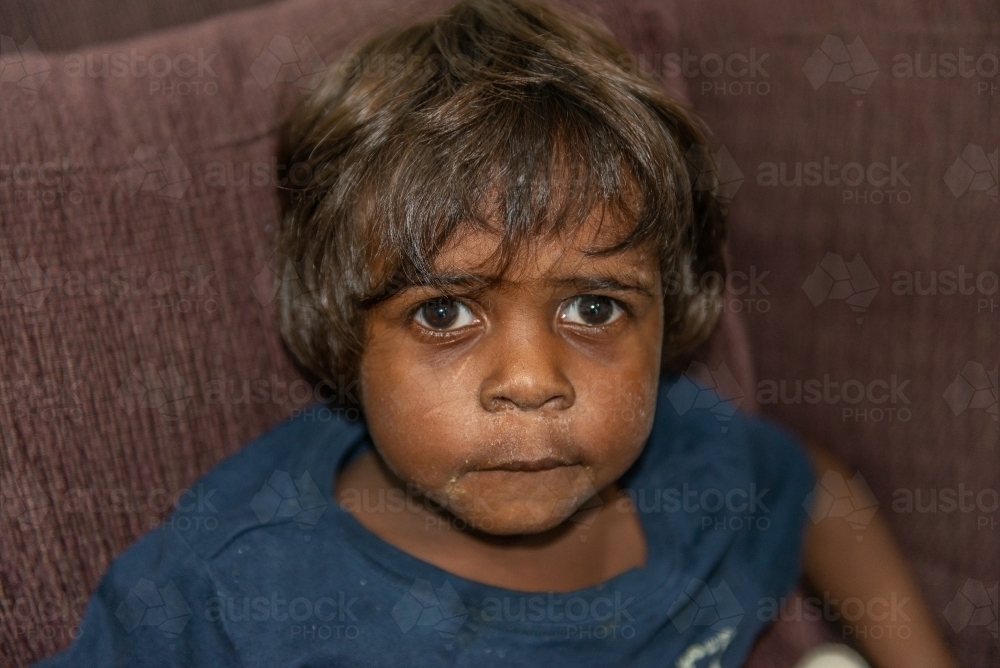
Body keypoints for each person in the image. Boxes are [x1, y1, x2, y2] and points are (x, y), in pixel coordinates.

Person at [36, 0, 956, 665]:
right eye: (444, 312)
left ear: (670, 311)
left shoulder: (692, 468)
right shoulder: (231, 596)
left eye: (593, 308)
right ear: (338, 332)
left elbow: (813, 490)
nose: (530, 377)